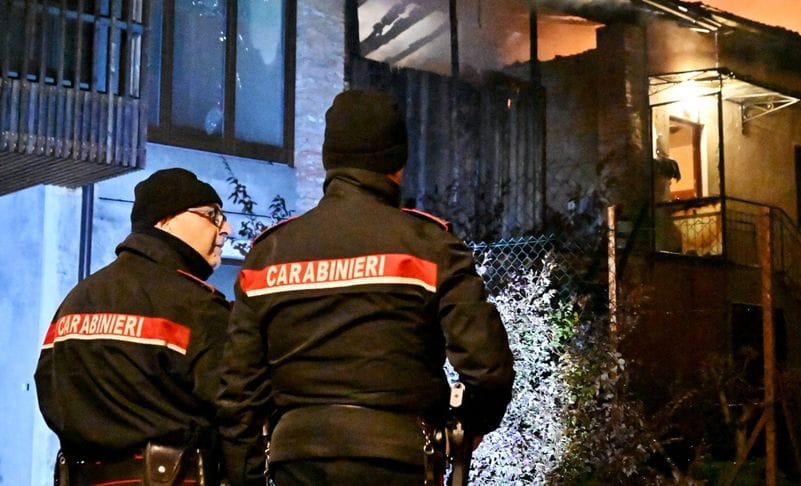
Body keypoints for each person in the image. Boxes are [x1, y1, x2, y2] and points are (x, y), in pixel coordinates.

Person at [217, 89, 515, 486]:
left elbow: (238, 393)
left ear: (328, 160)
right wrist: (468, 429)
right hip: (398, 459)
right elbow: (488, 368)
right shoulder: (431, 246)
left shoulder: (268, 255)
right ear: (398, 164)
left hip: (296, 460)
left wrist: (248, 476)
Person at [35, 167, 232, 485]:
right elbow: (236, 405)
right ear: (167, 219)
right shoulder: (194, 305)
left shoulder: (77, 299)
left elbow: (49, 389)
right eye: (213, 215)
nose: (226, 228)